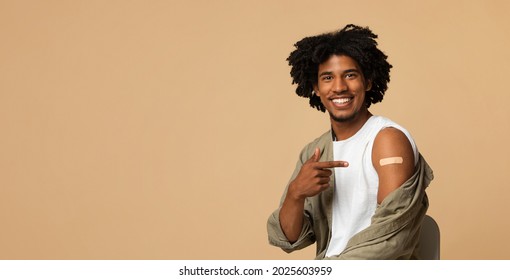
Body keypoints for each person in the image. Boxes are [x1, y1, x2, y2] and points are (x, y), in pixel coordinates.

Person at [267, 24, 434, 259]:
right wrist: (296, 193)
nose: (339, 87)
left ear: (367, 82)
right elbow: (290, 239)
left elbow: (390, 237)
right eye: (327, 78)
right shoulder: (316, 152)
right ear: (316, 88)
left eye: (350, 75)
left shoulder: (387, 140)